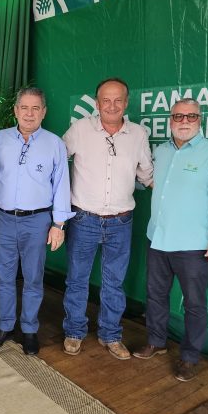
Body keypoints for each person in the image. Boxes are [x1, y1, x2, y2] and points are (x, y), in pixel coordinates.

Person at [134, 97, 208, 381]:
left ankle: (190, 357)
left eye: (191, 116)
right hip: (158, 238)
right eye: (178, 116)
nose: (184, 121)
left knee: (194, 304)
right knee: (155, 295)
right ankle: (156, 342)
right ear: (171, 120)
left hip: (194, 244)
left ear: (200, 120)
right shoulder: (161, 151)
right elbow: (150, 182)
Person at [0, 88, 73, 356]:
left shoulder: (54, 143)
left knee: (33, 278)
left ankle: (29, 330)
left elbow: (61, 185)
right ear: (16, 110)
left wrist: (59, 224)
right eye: (24, 108)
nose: (29, 114)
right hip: (2, 218)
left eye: (35, 108)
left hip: (38, 220)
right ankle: (5, 326)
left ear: (44, 112)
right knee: (4, 276)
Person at [62, 77, 153, 360]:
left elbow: (147, 176)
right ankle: (74, 331)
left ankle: (110, 335)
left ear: (126, 103)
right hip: (83, 219)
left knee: (114, 283)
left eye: (118, 100)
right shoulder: (80, 129)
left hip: (121, 222)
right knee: (77, 279)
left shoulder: (138, 134)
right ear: (97, 103)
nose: (112, 106)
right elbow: (55, 161)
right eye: (106, 100)